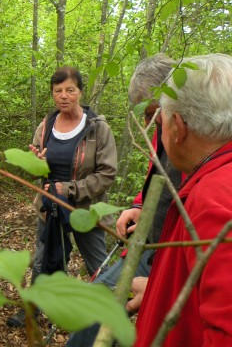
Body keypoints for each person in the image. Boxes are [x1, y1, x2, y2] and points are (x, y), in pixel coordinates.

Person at [66, 54, 183, 346]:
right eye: (142, 114)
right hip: (148, 243)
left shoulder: (189, 135)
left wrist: (164, 289)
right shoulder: (161, 130)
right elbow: (156, 180)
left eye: (152, 113)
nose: (146, 122)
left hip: (172, 254)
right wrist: (139, 206)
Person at [131, 54, 232, 346]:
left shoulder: (214, 198)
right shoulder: (209, 181)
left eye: (159, 119)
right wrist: (160, 291)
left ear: (177, 126)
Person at [8, 66, 117, 328]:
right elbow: (36, 169)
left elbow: (107, 173)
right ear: (52, 94)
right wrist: (35, 164)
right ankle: (33, 309)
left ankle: (112, 314)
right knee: (42, 259)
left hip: (86, 209)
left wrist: (69, 189)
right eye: (58, 91)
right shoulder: (46, 125)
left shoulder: (97, 128)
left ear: (80, 91)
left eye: (70, 90)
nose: (64, 96)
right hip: (50, 206)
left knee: (97, 263)